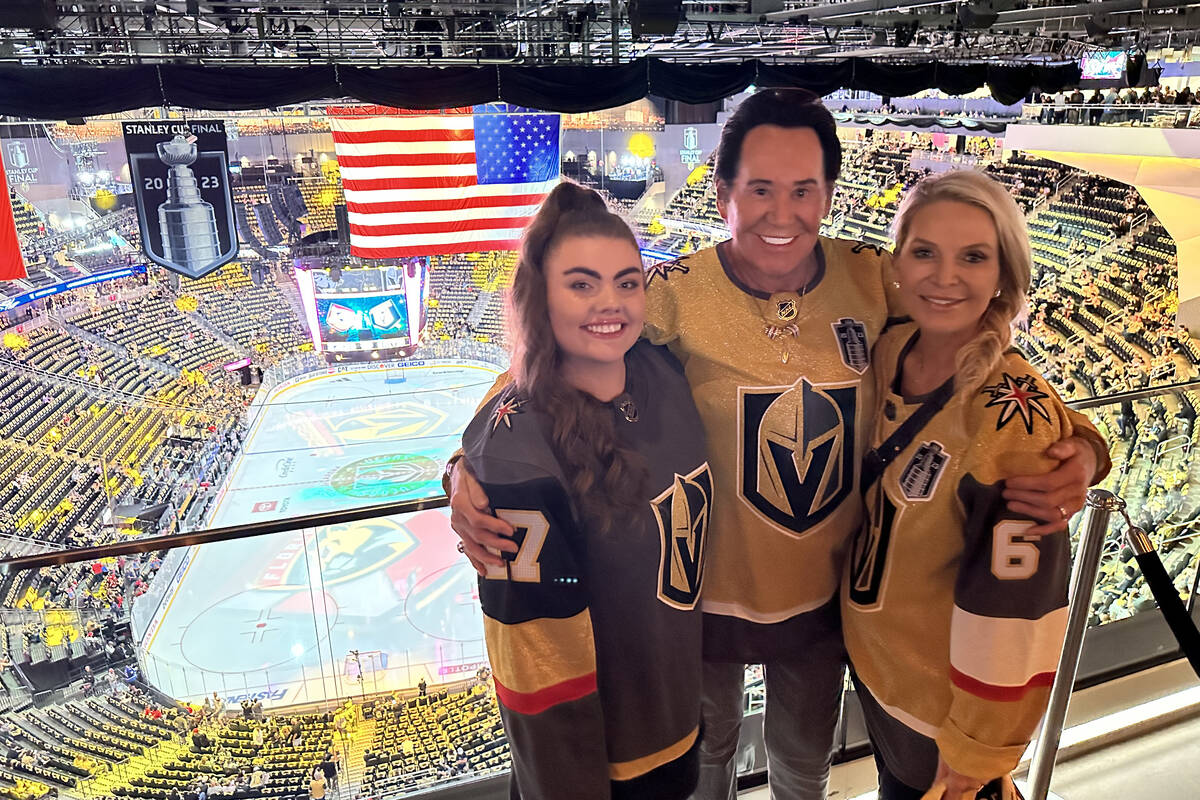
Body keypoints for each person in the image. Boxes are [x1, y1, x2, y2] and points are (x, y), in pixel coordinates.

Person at [449, 89, 1107, 800]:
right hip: (701, 604)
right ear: (724, 190)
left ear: (829, 194)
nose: (782, 213)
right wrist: (464, 467)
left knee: (803, 769)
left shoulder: (872, 276)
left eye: (804, 190)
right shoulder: (673, 290)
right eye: (760, 189)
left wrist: (1085, 445)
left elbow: (972, 343)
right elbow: (549, 358)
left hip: (825, 604)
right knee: (709, 763)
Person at [459, 181, 710, 799]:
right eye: (581, 283)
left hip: (678, 727)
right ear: (539, 296)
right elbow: (537, 671)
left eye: (628, 282)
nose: (611, 303)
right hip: (598, 768)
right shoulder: (518, 450)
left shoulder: (666, 371)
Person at [843, 170, 1086, 799]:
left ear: (1004, 273)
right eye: (925, 252)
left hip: (944, 715)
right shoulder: (891, 347)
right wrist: (1090, 443)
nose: (944, 277)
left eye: (972, 257)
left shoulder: (1013, 412)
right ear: (897, 262)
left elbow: (1019, 605)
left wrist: (981, 745)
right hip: (881, 673)